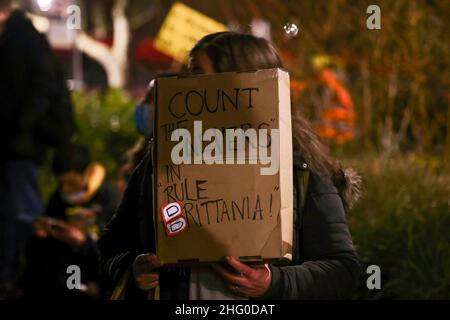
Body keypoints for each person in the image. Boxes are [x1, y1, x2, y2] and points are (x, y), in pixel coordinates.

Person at [98, 32, 361, 300]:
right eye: (190, 74)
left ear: (241, 83)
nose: (188, 85)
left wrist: (274, 283)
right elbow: (110, 247)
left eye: (198, 73)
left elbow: (342, 271)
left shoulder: (300, 168)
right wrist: (133, 269)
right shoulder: (161, 162)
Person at [0, 0, 75, 297]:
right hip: (16, 145)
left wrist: (21, 125)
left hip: (22, 146)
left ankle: (24, 277)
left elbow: (42, 89)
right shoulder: (16, 38)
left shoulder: (23, 39)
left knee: (22, 213)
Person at [21, 145, 117, 299]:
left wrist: (83, 243)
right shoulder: (57, 199)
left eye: (71, 183)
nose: (66, 189)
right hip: (59, 281)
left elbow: (116, 254)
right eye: (61, 183)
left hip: (92, 282)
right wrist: (41, 234)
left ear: (87, 173)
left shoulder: (109, 199)